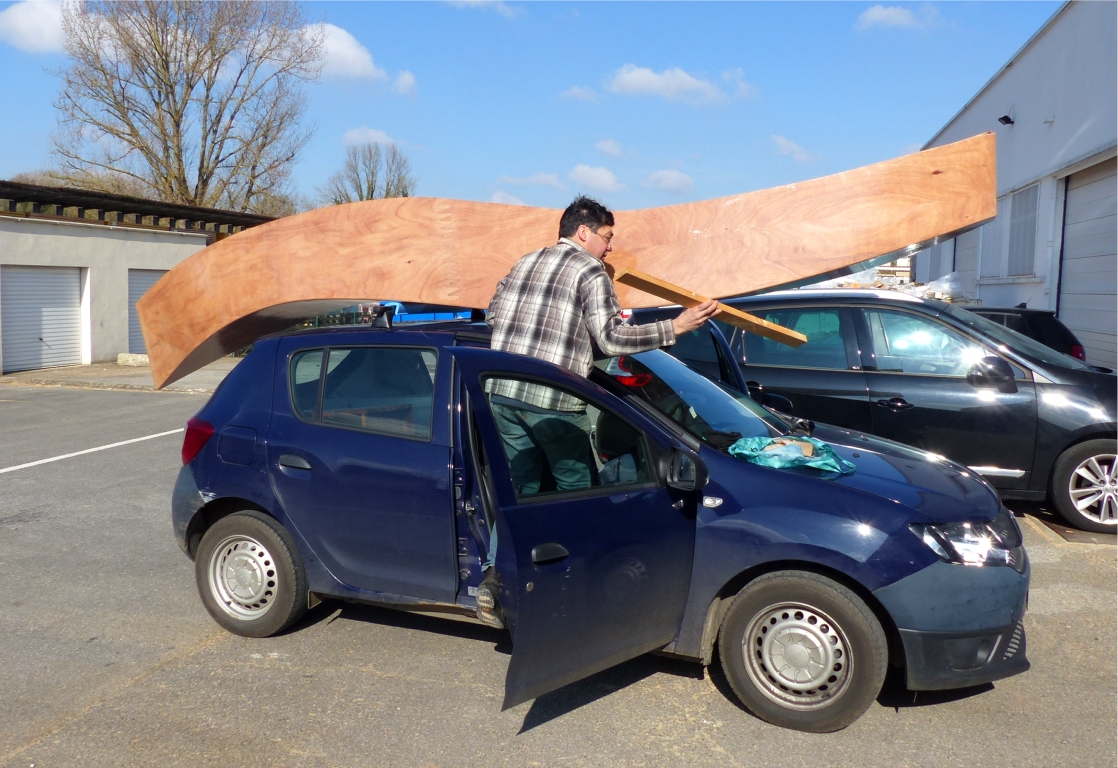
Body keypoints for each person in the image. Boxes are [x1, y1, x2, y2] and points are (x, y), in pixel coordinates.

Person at [473, 195, 718, 627]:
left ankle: (496, 579)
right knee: (578, 493)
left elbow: (493, 315)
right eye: (607, 238)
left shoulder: (525, 261)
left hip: (501, 395)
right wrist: (675, 327)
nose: (610, 249)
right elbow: (611, 340)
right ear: (582, 231)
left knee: (522, 491)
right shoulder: (589, 271)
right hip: (550, 403)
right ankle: (581, 587)